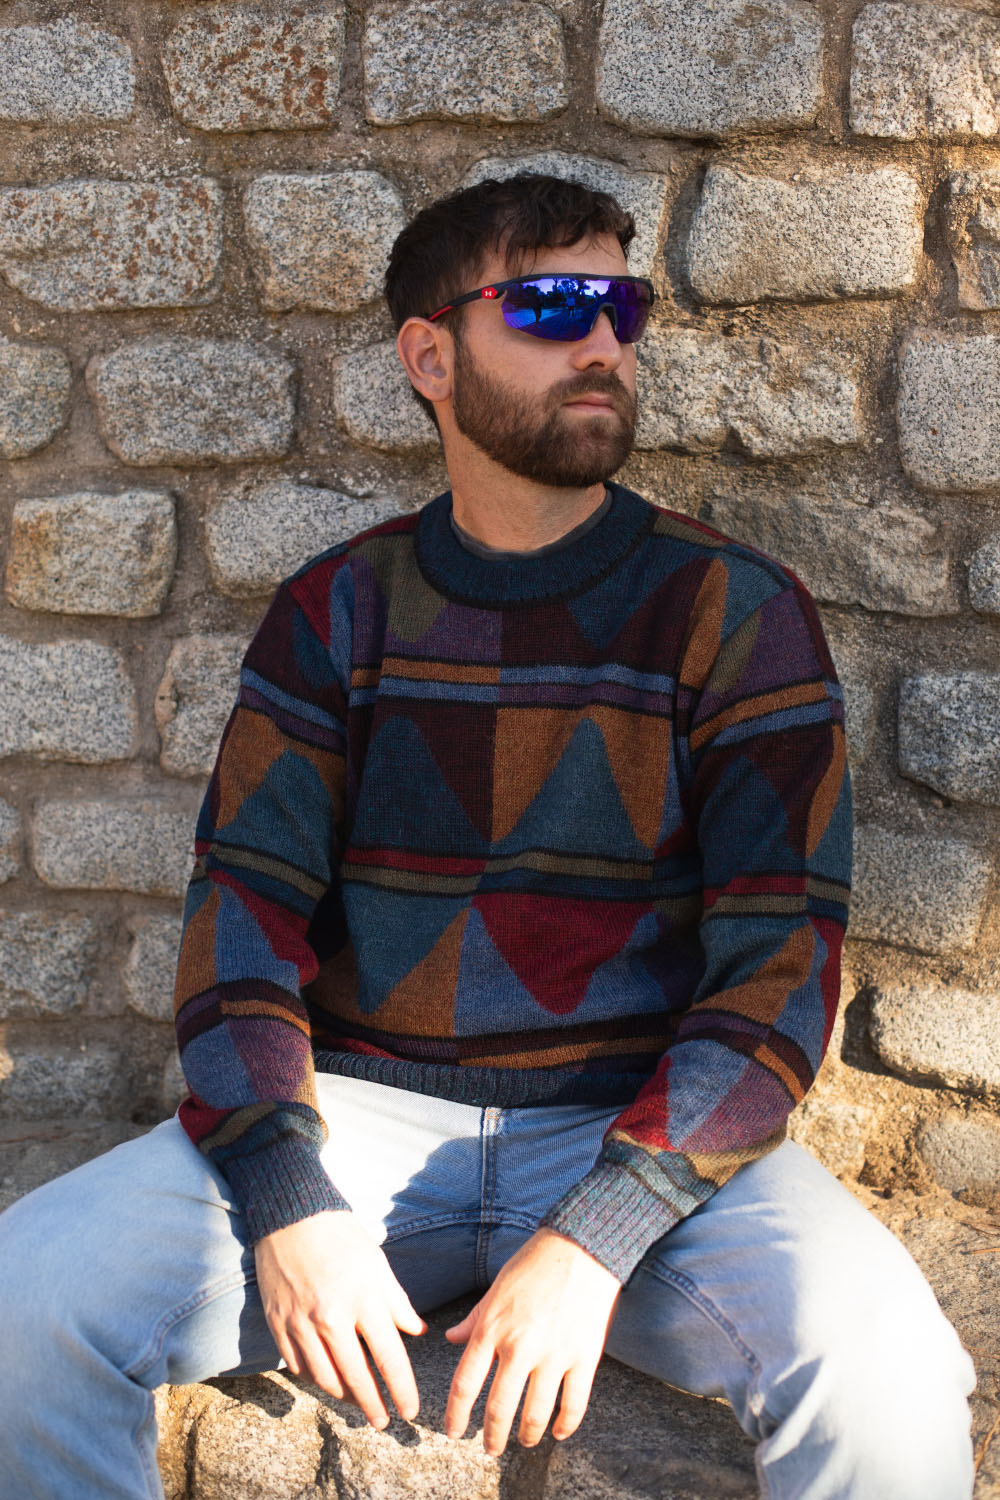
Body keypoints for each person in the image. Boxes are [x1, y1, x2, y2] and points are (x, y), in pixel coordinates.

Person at [0, 174, 976, 1499]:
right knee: (28, 1307)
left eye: (624, 308)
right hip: (353, 1118)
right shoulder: (338, 610)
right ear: (430, 356)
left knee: (890, 1374)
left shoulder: (735, 610)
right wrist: (289, 1199)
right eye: (554, 306)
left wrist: (599, 1235)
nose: (603, 342)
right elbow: (238, 936)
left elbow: (780, 971)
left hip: (632, 1128)